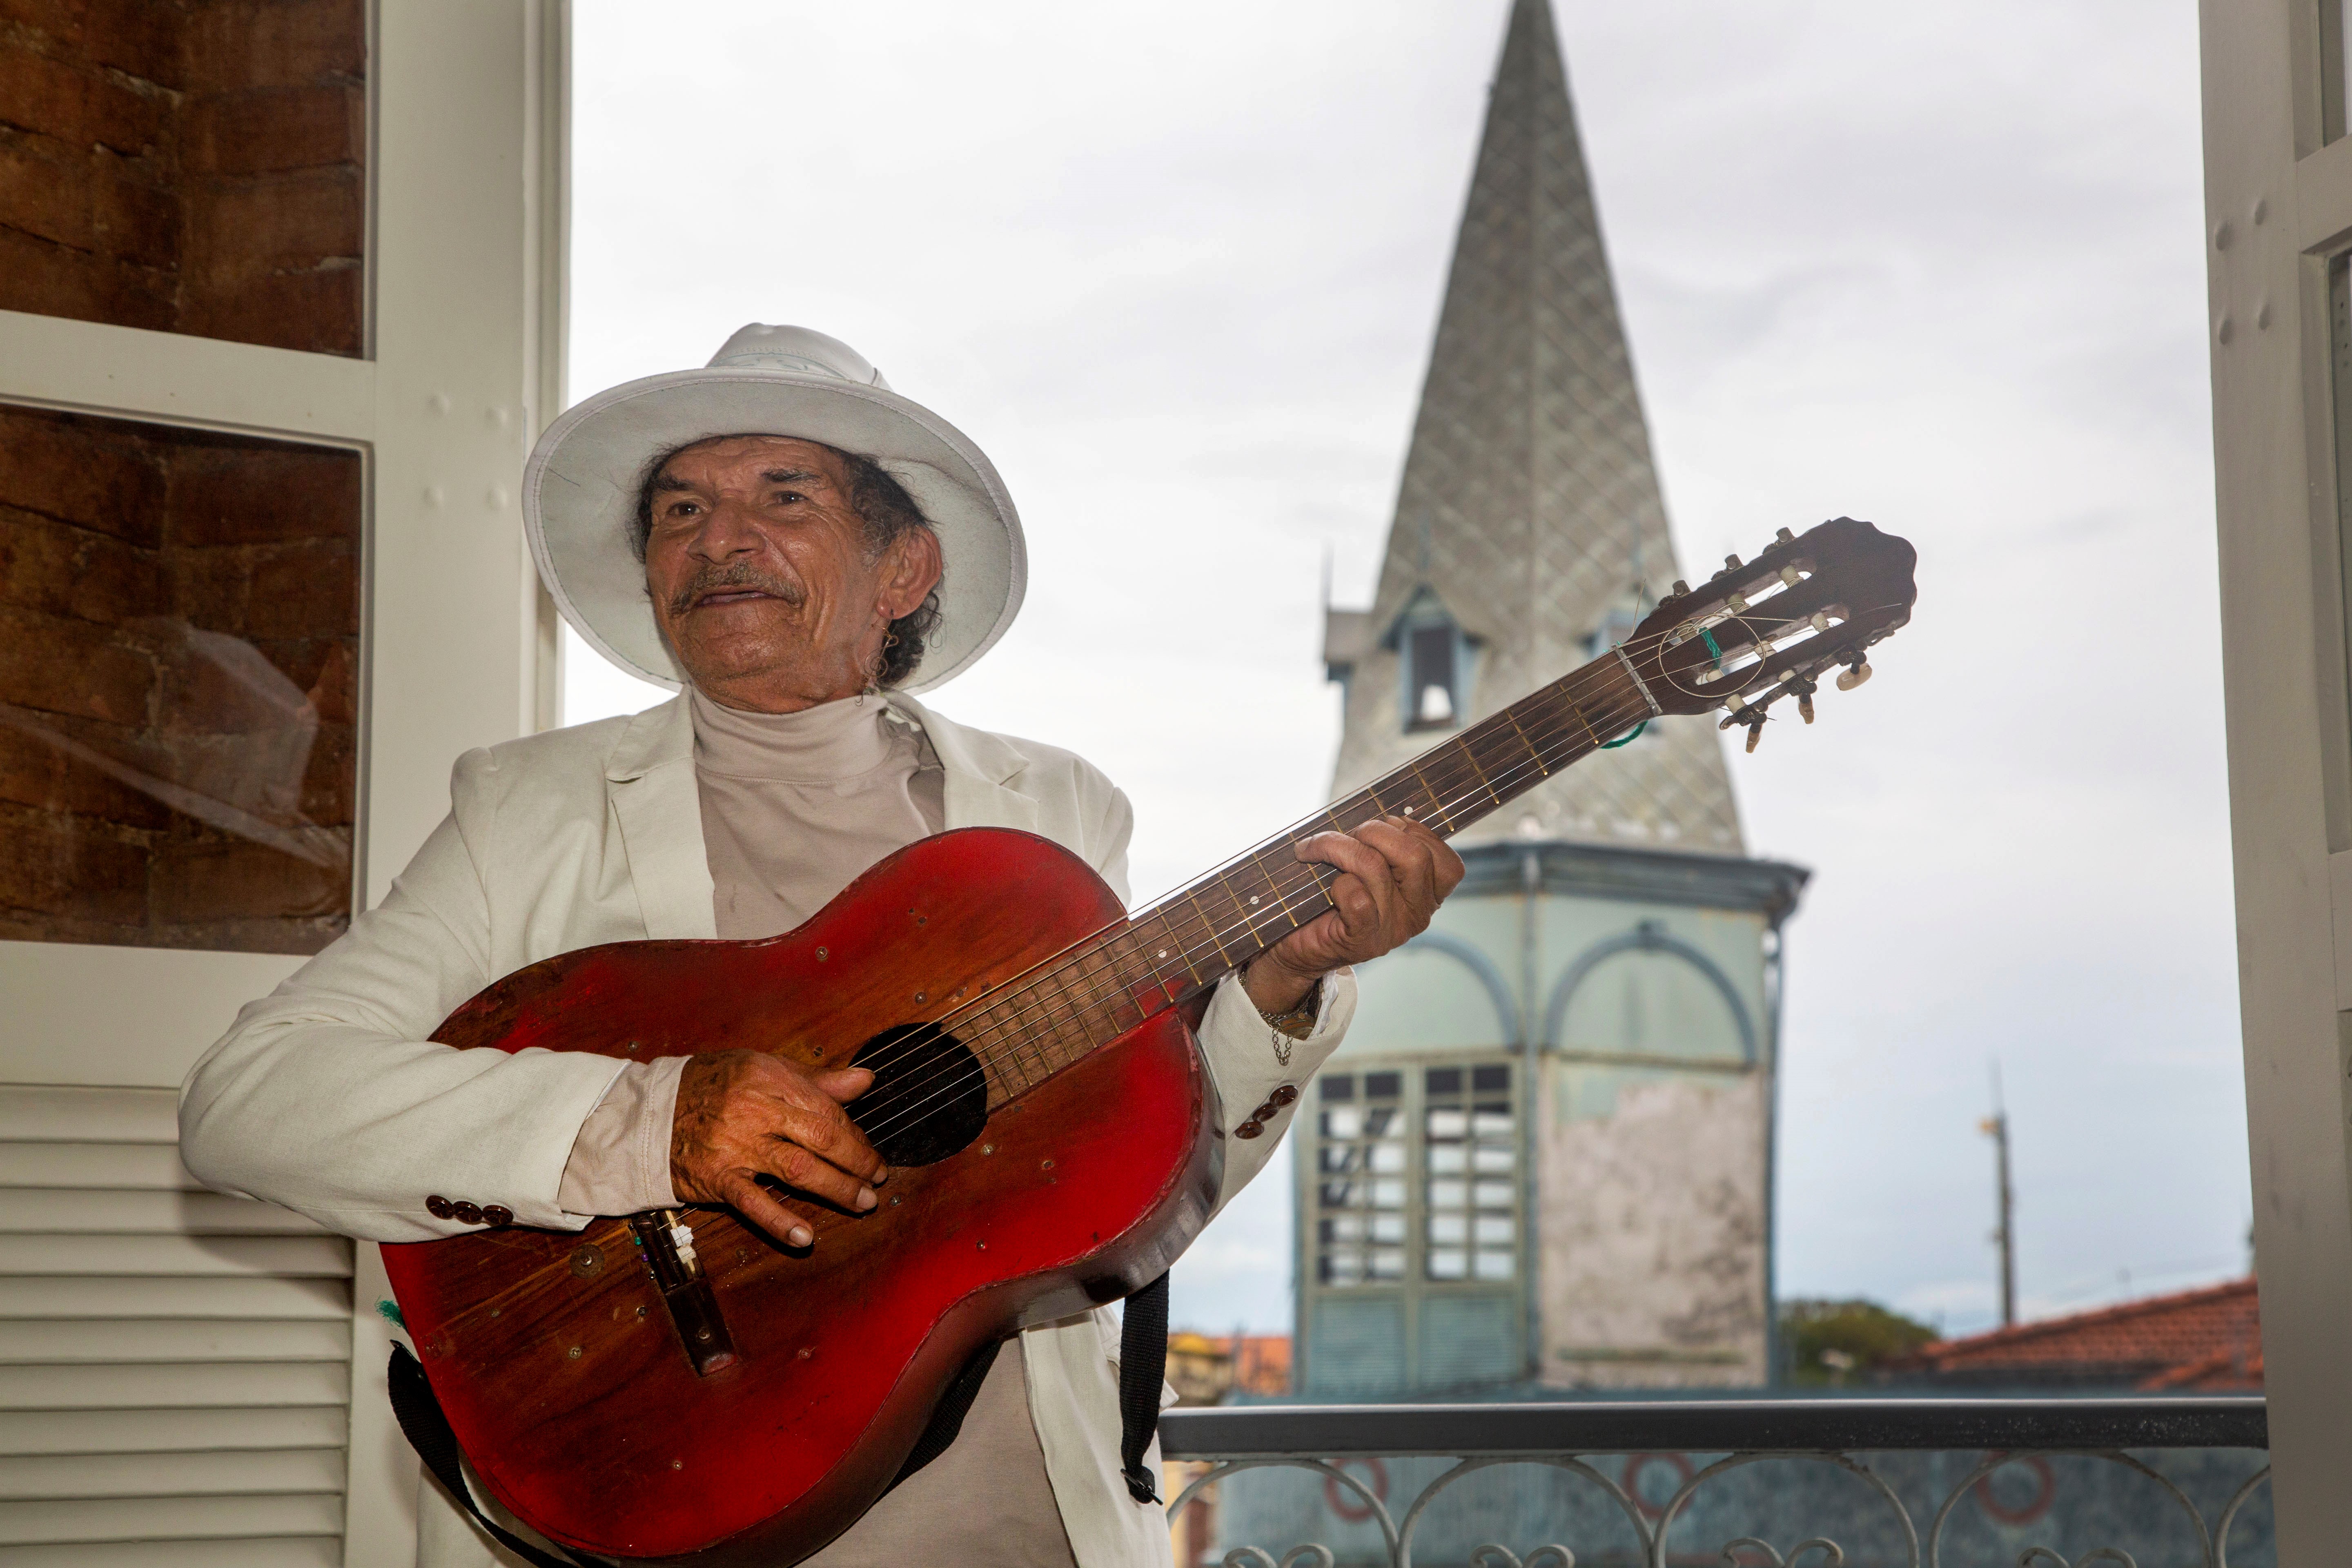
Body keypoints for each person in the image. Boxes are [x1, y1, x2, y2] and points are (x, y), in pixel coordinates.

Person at [179, 325, 1462, 1568]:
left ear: (905, 570)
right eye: (680, 510)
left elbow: (1126, 1174)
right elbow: (249, 1101)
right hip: (670, 1510)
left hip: (1026, 1525)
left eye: (783, 495)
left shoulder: (1056, 815)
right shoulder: (527, 814)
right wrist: (651, 1121)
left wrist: (1281, 983)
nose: (719, 537)